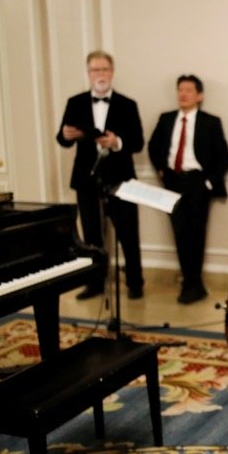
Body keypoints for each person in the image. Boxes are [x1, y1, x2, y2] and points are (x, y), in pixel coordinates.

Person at [56, 50, 145, 300]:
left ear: (112, 72)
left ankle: (135, 283)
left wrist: (116, 142)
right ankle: (94, 283)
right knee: (92, 235)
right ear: (88, 73)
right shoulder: (75, 102)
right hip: (87, 179)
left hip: (121, 178)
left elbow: (137, 142)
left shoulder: (128, 104)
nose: (101, 74)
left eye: (105, 69)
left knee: (128, 233)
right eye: (96, 70)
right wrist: (66, 135)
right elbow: (62, 139)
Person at [148, 74, 228, 304]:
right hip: (172, 183)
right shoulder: (166, 119)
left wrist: (207, 183)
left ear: (199, 96)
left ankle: (195, 284)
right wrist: (161, 171)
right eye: (180, 90)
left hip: (197, 183)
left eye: (188, 90)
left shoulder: (210, 122)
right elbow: (154, 147)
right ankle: (188, 281)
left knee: (196, 234)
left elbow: (223, 158)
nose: (183, 94)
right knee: (179, 233)